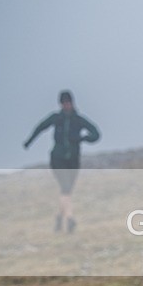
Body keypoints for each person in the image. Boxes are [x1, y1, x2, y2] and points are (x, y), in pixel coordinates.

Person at [24, 90, 101, 233]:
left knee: (67, 192)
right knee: (65, 188)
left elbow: (96, 134)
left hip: (73, 160)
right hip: (57, 158)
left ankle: (60, 217)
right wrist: (29, 142)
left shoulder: (78, 120)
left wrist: (82, 139)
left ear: (72, 103)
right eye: (64, 103)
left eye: (68, 102)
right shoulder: (56, 118)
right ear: (60, 104)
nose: (66, 105)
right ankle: (70, 219)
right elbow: (40, 127)